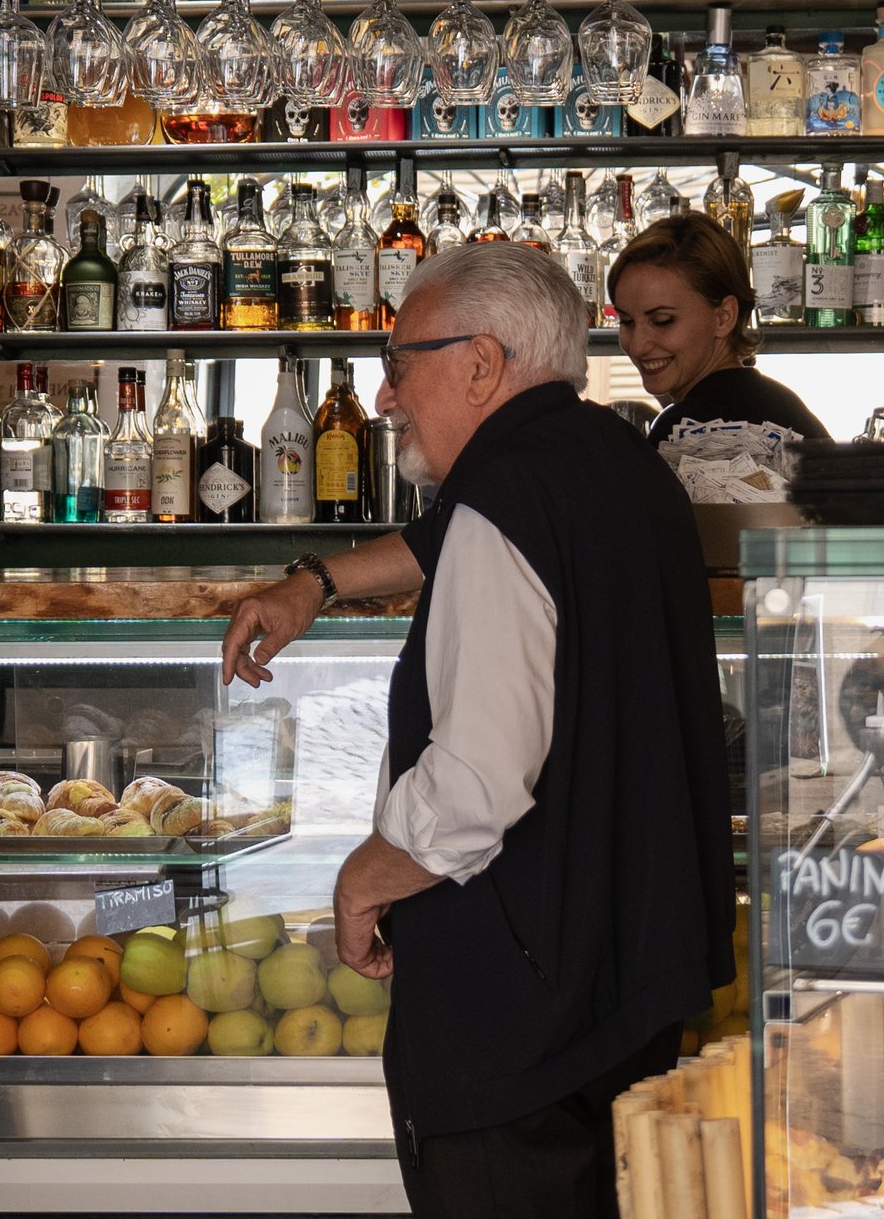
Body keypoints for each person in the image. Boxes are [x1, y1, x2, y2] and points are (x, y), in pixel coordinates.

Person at [221, 243, 735, 1219]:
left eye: (400, 359)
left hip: (521, 1013)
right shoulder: (609, 457)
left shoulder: (505, 499)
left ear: (481, 361)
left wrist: (362, 877)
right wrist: (314, 580)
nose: (382, 397)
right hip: (626, 985)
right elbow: (440, 539)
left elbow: (478, 779)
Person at [609, 213, 828, 447]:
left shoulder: (685, 429)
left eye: (663, 320)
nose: (637, 345)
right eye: (626, 321)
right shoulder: (781, 402)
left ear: (724, 317)